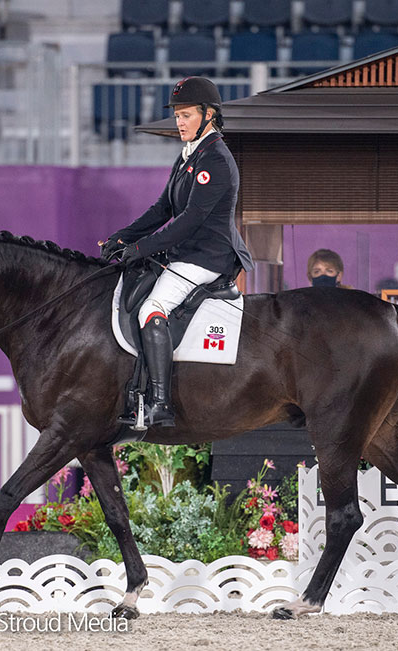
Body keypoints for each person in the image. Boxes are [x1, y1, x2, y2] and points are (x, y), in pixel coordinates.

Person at [98, 76, 253, 427]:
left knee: (153, 308)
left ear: (209, 114)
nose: (179, 122)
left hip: (208, 257)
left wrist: (141, 248)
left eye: (186, 115)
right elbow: (162, 209)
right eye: (177, 116)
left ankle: (161, 403)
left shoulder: (215, 158)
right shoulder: (188, 156)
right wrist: (122, 238)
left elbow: (191, 220)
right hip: (185, 254)